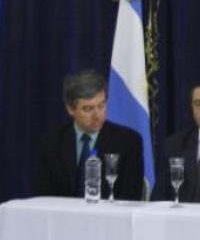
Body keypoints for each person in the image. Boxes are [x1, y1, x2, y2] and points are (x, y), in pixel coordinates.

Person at [32, 70, 144, 200]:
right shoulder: (51, 142)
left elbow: (130, 197)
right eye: (88, 109)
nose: (97, 115)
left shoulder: (128, 142)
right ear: (70, 109)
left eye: (101, 106)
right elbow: (41, 197)